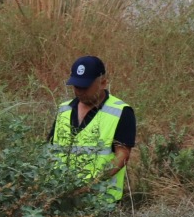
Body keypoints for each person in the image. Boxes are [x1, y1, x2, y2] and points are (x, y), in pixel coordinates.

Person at [48, 55, 135, 203]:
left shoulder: (121, 111)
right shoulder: (64, 109)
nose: (80, 91)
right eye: (76, 86)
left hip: (101, 201)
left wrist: (91, 185)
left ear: (103, 83)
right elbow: (50, 149)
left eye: (85, 87)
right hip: (60, 198)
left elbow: (122, 155)